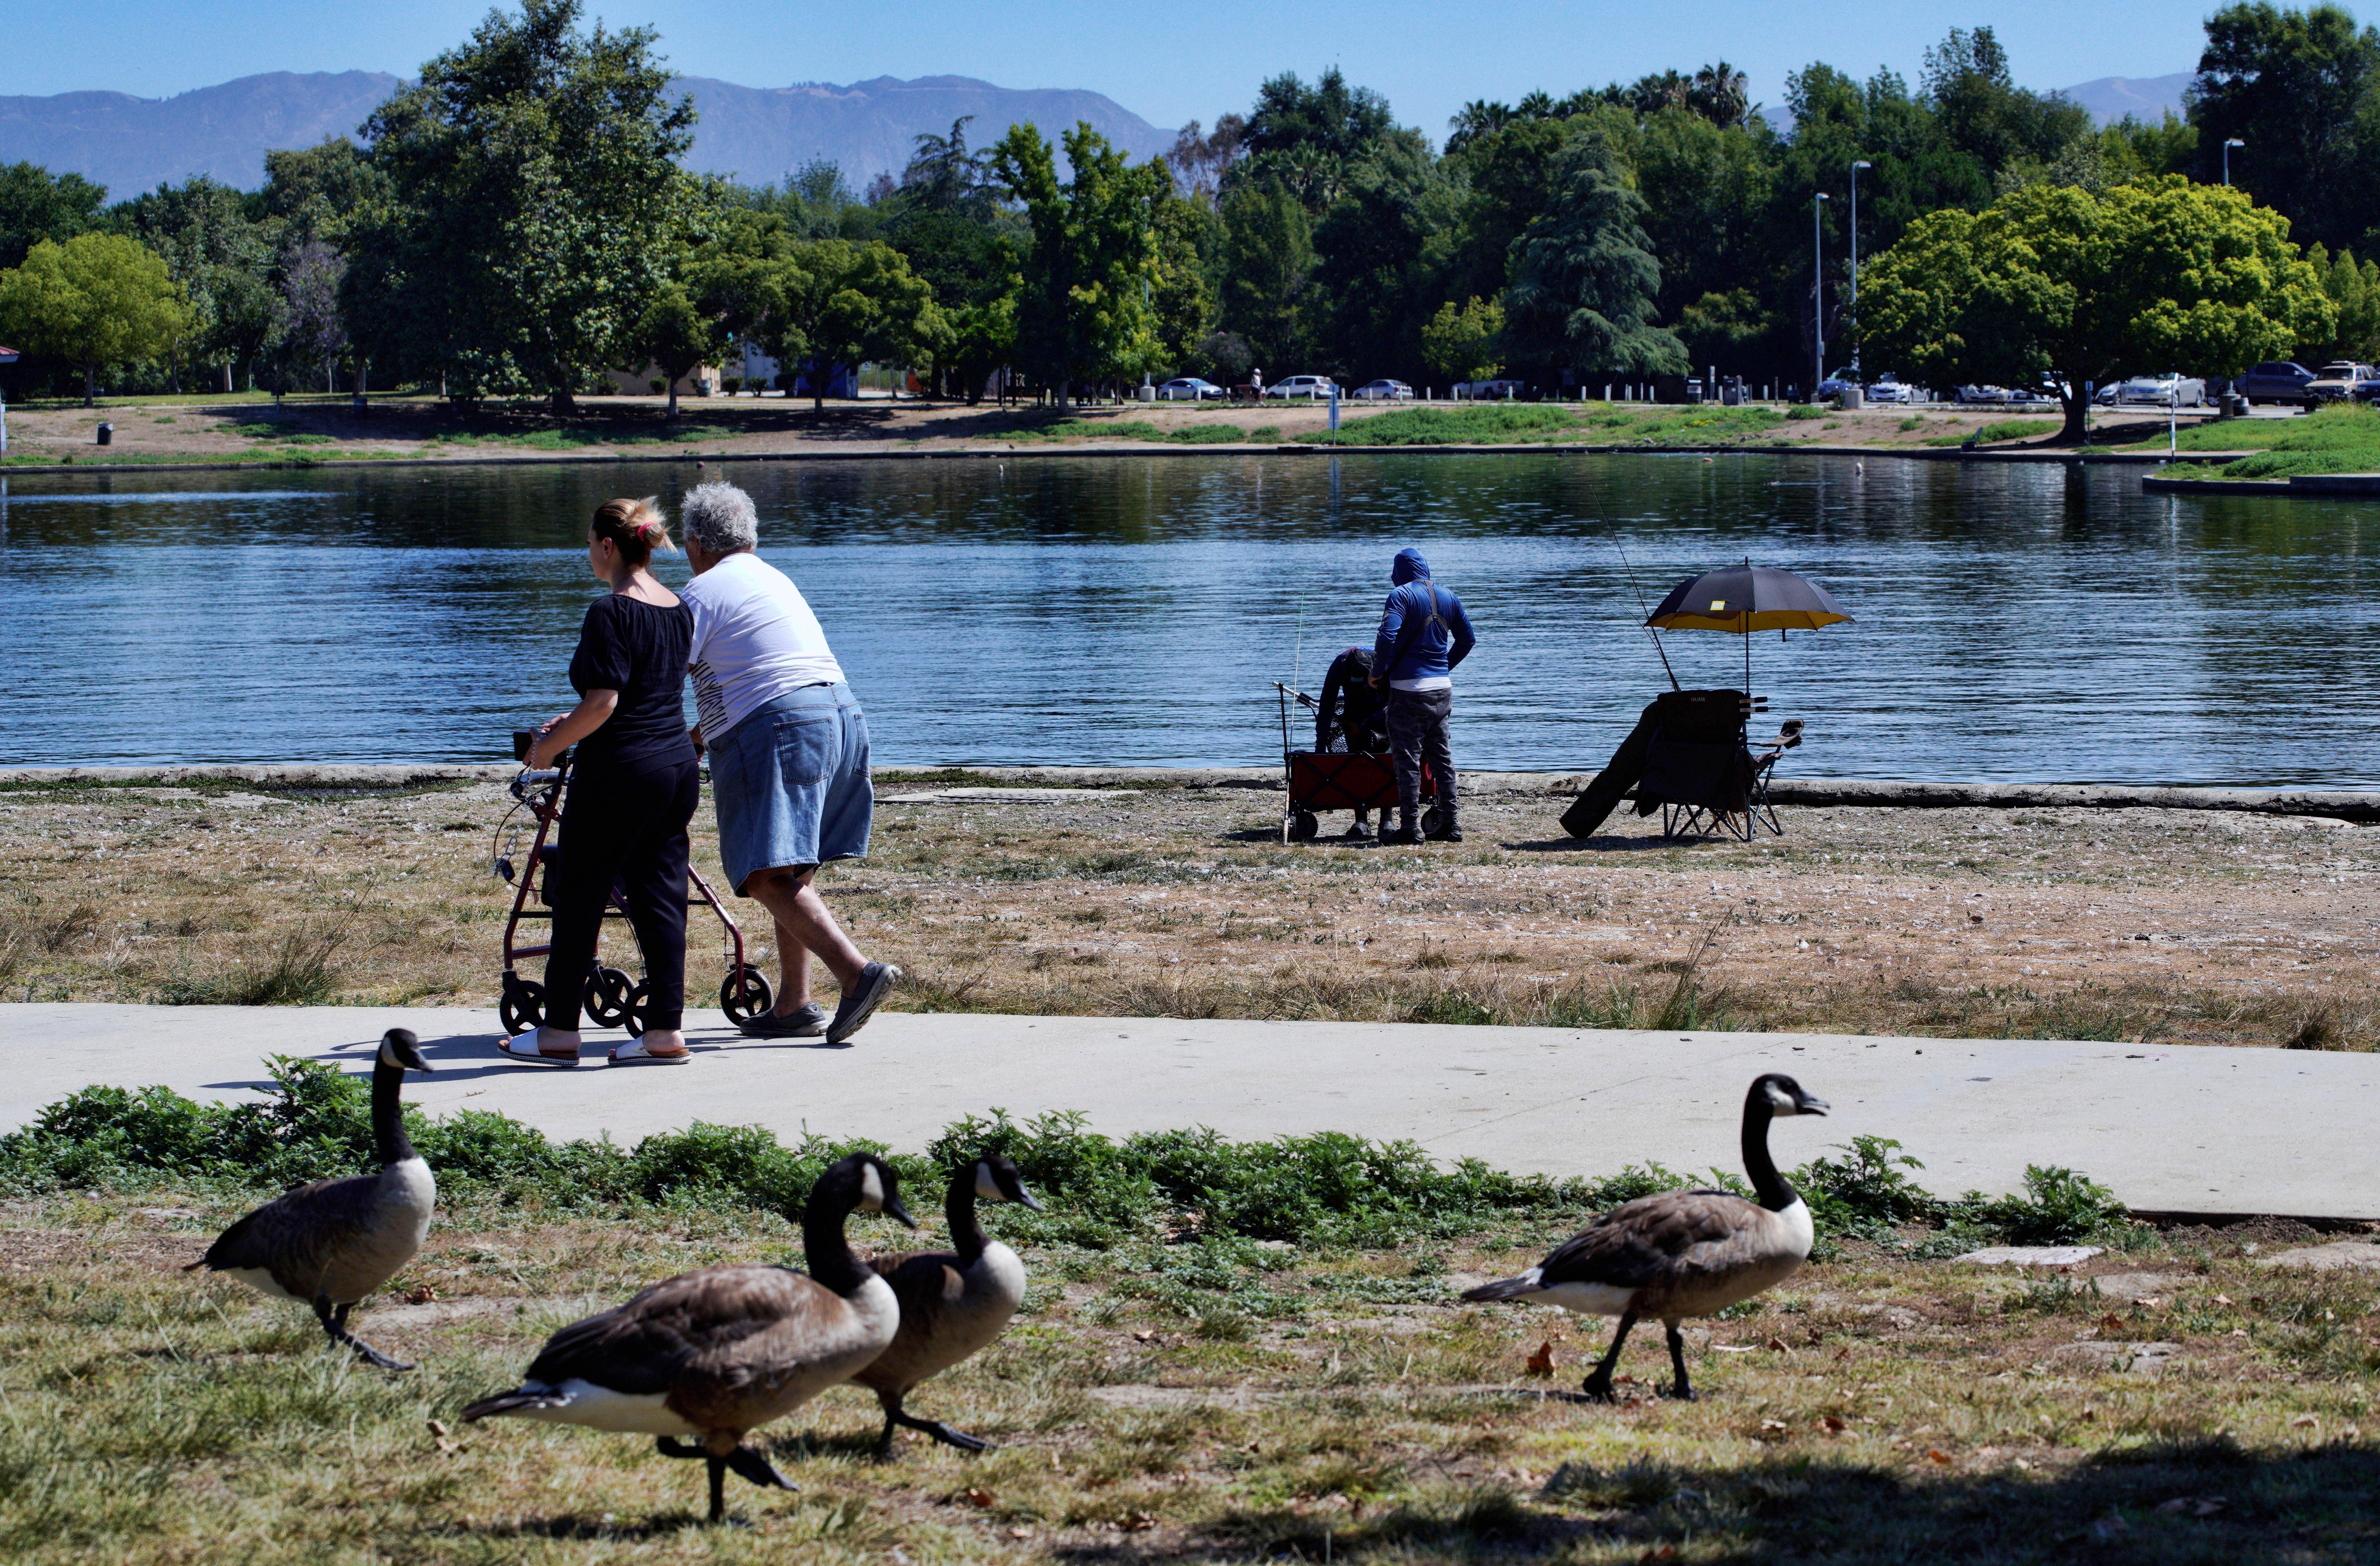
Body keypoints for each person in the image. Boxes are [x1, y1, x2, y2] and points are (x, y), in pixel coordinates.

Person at [677, 480, 899, 1044]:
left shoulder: (700, 596)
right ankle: (796, 1004)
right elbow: (766, 671)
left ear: (696, 542)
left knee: (761, 873)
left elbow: (655, 682)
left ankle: (856, 974)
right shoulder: (775, 580)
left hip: (781, 727)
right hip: (841, 714)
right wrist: (700, 737)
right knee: (792, 868)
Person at [503, 498, 697, 1067]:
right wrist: (573, 719)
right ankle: (664, 1032)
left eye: (591, 543)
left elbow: (607, 702)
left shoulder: (609, 612)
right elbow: (643, 693)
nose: (589, 553)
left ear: (610, 546)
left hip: (620, 773)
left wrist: (545, 749)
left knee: (579, 894)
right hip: (675, 767)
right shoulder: (678, 608)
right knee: (662, 898)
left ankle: (560, 1031)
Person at [1369, 546, 1476, 845]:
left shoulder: (1401, 596)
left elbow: (1388, 635)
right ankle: (1451, 825)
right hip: (1442, 689)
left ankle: (1410, 828)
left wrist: (1377, 671)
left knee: (1407, 761)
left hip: (1408, 693)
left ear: (1399, 572)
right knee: (1442, 759)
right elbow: (1468, 639)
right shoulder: (1449, 596)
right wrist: (1443, 667)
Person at [1313, 645, 1388, 840]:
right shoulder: (1339, 666)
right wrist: (1320, 749)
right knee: (1357, 763)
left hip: (1382, 709)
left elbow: (1394, 704)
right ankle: (1361, 820)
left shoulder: (1384, 663)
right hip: (1353, 709)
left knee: (1386, 763)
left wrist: (1365, 726)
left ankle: (1387, 819)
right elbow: (1326, 706)